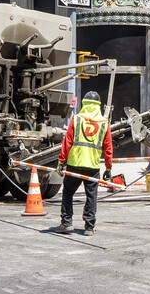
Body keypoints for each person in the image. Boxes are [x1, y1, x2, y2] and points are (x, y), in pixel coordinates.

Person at [55, 91, 112, 235]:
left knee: (68, 192)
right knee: (91, 196)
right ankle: (89, 227)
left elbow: (67, 142)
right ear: (98, 105)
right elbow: (108, 148)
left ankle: (66, 223)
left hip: (75, 164)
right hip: (92, 166)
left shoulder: (76, 119)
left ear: (84, 103)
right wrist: (108, 168)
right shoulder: (104, 123)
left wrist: (61, 161)